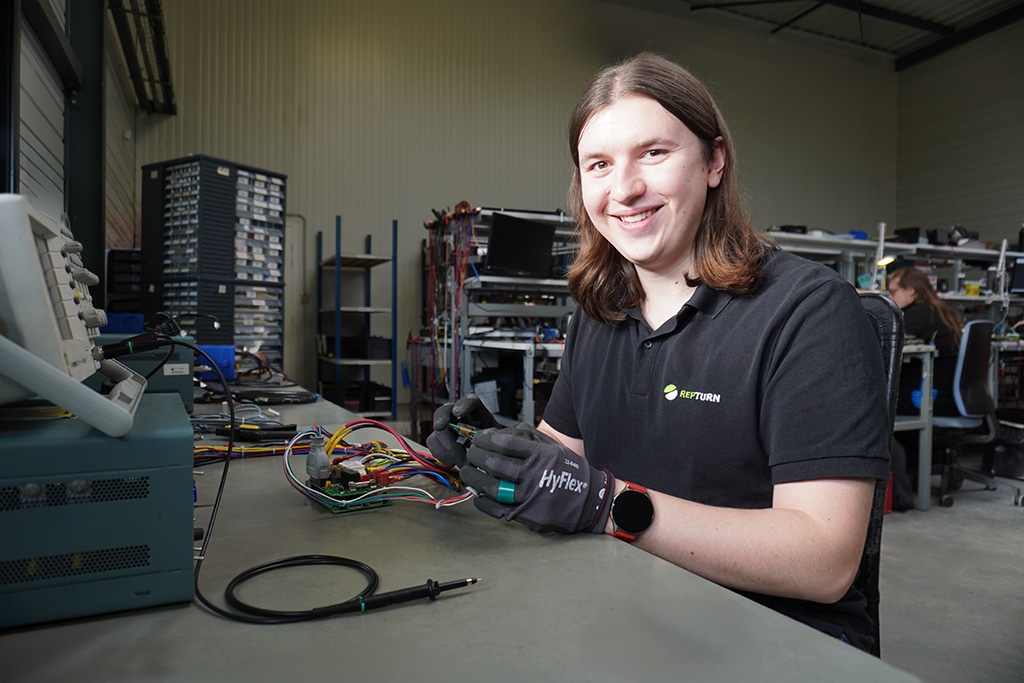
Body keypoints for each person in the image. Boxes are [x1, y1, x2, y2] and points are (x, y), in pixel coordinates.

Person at [427, 53, 890, 652]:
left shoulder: (808, 312)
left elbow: (824, 562)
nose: (624, 189)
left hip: (770, 638)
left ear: (714, 160)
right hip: (620, 605)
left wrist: (608, 506)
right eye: (599, 164)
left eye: (653, 153)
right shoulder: (598, 314)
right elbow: (561, 460)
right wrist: (489, 454)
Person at [886, 265, 964, 510]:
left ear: (911, 291)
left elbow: (890, 340)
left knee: (872, 409)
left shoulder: (918, 314)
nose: (889, 298)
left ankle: (898, 488)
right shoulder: (940, 310)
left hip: (926, 398)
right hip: (945, 395)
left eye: (892, 292)